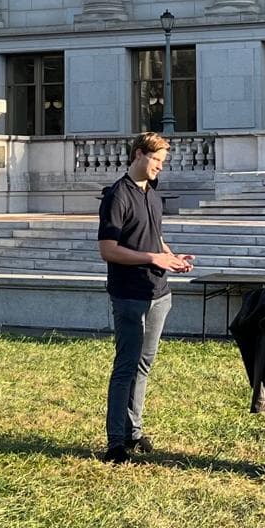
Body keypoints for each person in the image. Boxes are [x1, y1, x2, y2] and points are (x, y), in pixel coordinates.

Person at [97, 131, 193, 463]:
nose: (160, 168)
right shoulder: (117, 196)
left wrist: (171, 257)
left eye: (162, 162)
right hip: (129, 295)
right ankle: (115, 442)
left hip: (159, 293)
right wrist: (153, 258)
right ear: (139, 154)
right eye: (156, 160)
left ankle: (133, 432)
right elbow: (108, 250)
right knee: (126, 366)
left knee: (144, 365)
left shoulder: (152, 195)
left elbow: (154, 237)